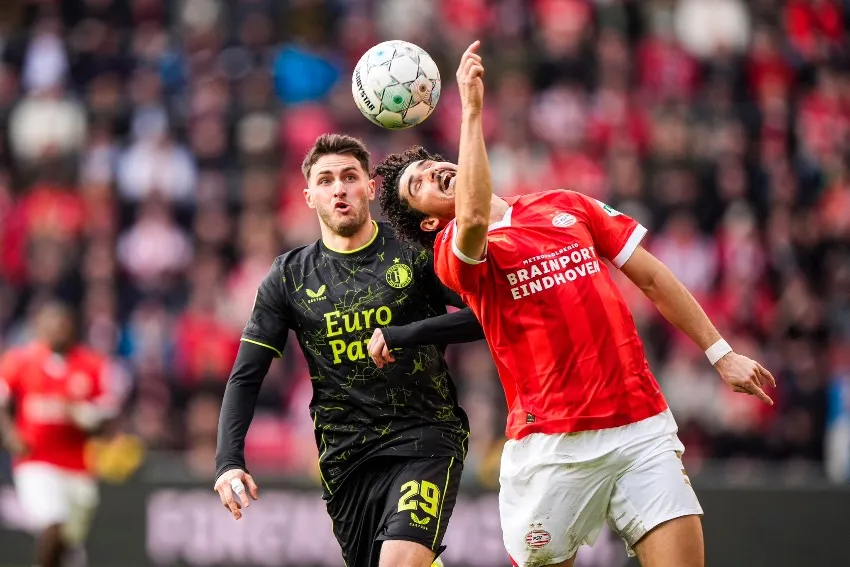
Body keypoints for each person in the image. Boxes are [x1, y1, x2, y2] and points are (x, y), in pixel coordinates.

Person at [373, 41, 776, 567]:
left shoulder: (566, 205)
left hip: (640, 425)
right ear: (429, 220)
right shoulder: (454, 251)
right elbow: (471, 216)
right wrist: (471, 112)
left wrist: (720, 353)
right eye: (419, 184)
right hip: (552, 446)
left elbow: (653, 278)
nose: (432, 173)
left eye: (431, 165)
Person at [214, 133, 484, 567]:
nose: (338, 188)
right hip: (346, 460)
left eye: (349, 177)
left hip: (425, 437)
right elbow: (247, 374)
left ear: (371, 188)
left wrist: (405, 334)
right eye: (325, 180)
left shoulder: (417, 253)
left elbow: (486, 316)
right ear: (309, 197)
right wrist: (228, 461)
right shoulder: (289, 277)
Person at [0, 301, 118, 567]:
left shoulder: (92, 365)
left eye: (62, 325)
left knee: (68, 542)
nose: (57, 331)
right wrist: (9, 435)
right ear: (39, 328)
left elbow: (108, 414)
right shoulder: (21, 361)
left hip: (78, 465)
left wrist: (88, 418)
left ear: (73, 328)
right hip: (35, 461)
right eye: (51, 325)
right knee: (53, 524)